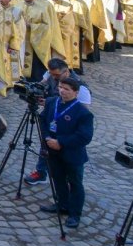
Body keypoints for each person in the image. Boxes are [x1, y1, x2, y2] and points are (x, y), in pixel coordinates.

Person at [38, 76, 93, 229]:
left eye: (66, 89)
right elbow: (42, 120)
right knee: (57, 179)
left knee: (75, 184)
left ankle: (74, 214)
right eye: (61, 87)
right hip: (52, 150)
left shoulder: (83, 112)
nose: (62, 91)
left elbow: (84, 136)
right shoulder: (52, 103)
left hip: (72, 154)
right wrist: (47, 137)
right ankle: (62, 204)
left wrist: (61, 142)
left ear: (75, 92)